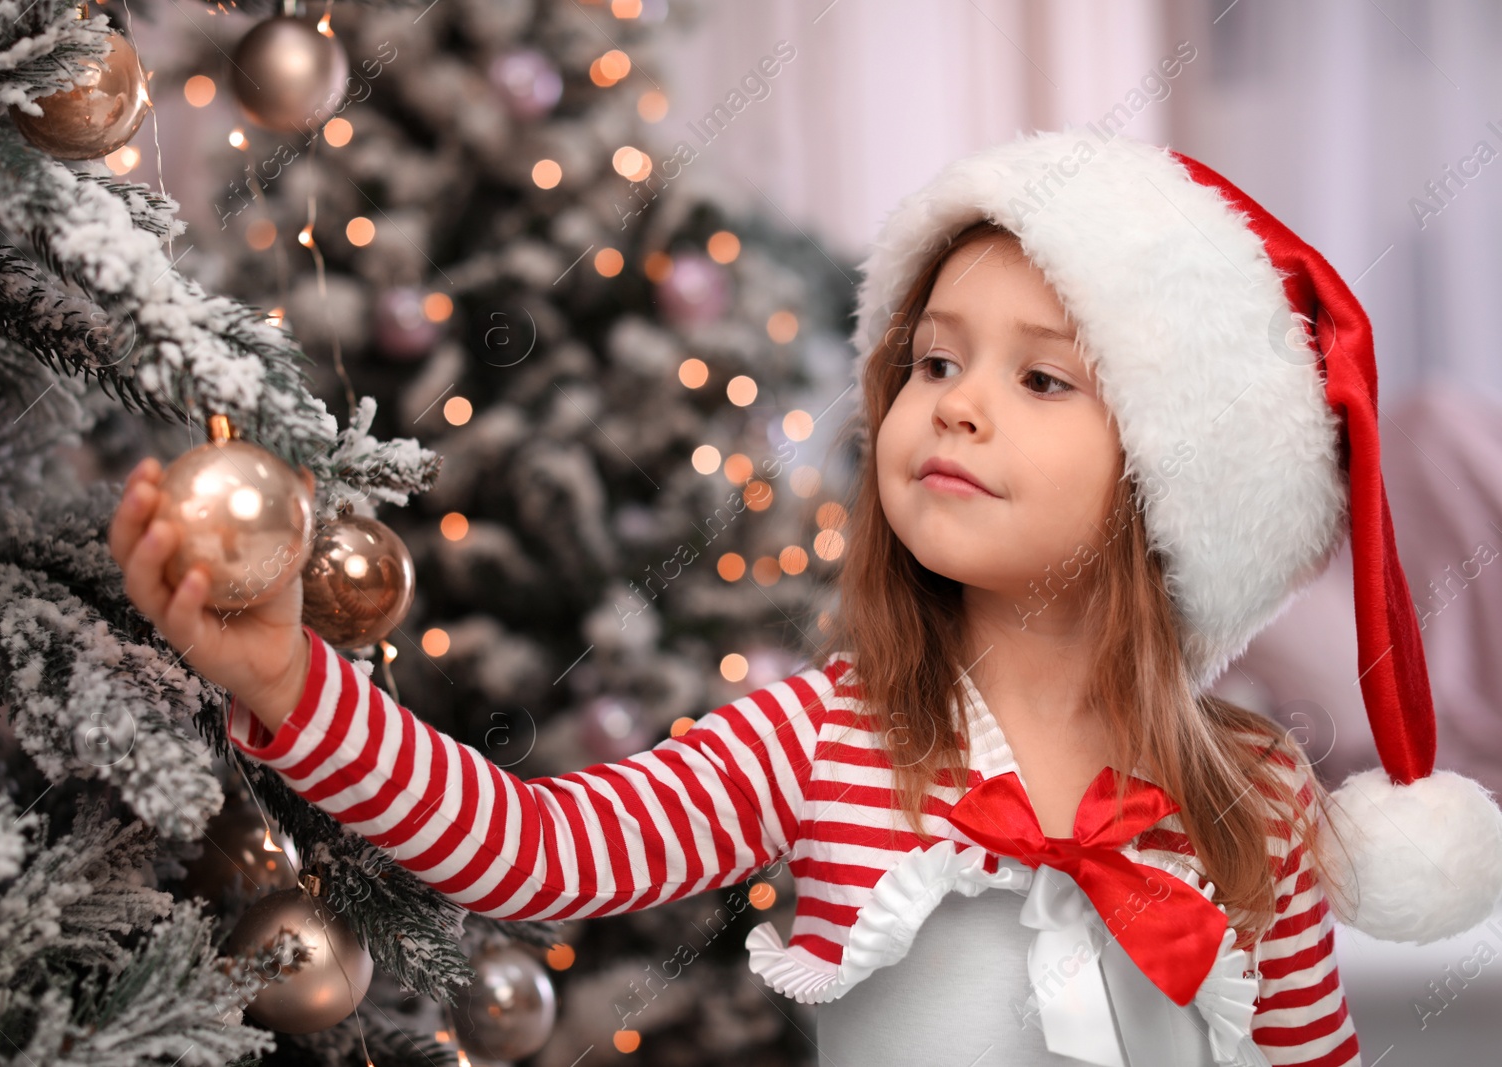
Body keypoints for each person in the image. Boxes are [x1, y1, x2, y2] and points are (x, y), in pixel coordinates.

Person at [112, 129, 1502, 1066]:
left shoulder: (1254, 798)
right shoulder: (826, 742)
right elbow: (535, 851)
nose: (953, 410)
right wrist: (296, 685)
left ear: (1167, 484)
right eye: (935, 363)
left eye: (1038, 379)